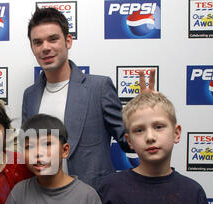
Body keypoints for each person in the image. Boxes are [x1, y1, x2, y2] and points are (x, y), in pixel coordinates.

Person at [22, 7, 133, 189]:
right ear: (32, 48)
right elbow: (29, 148)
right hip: (44, 198)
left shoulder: (99, 88)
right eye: (38, 42)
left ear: (68, 41)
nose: (46, 48)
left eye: (53, 39)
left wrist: (145, 118)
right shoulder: (30, 95)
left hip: (94, 198)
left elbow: (129, 143)